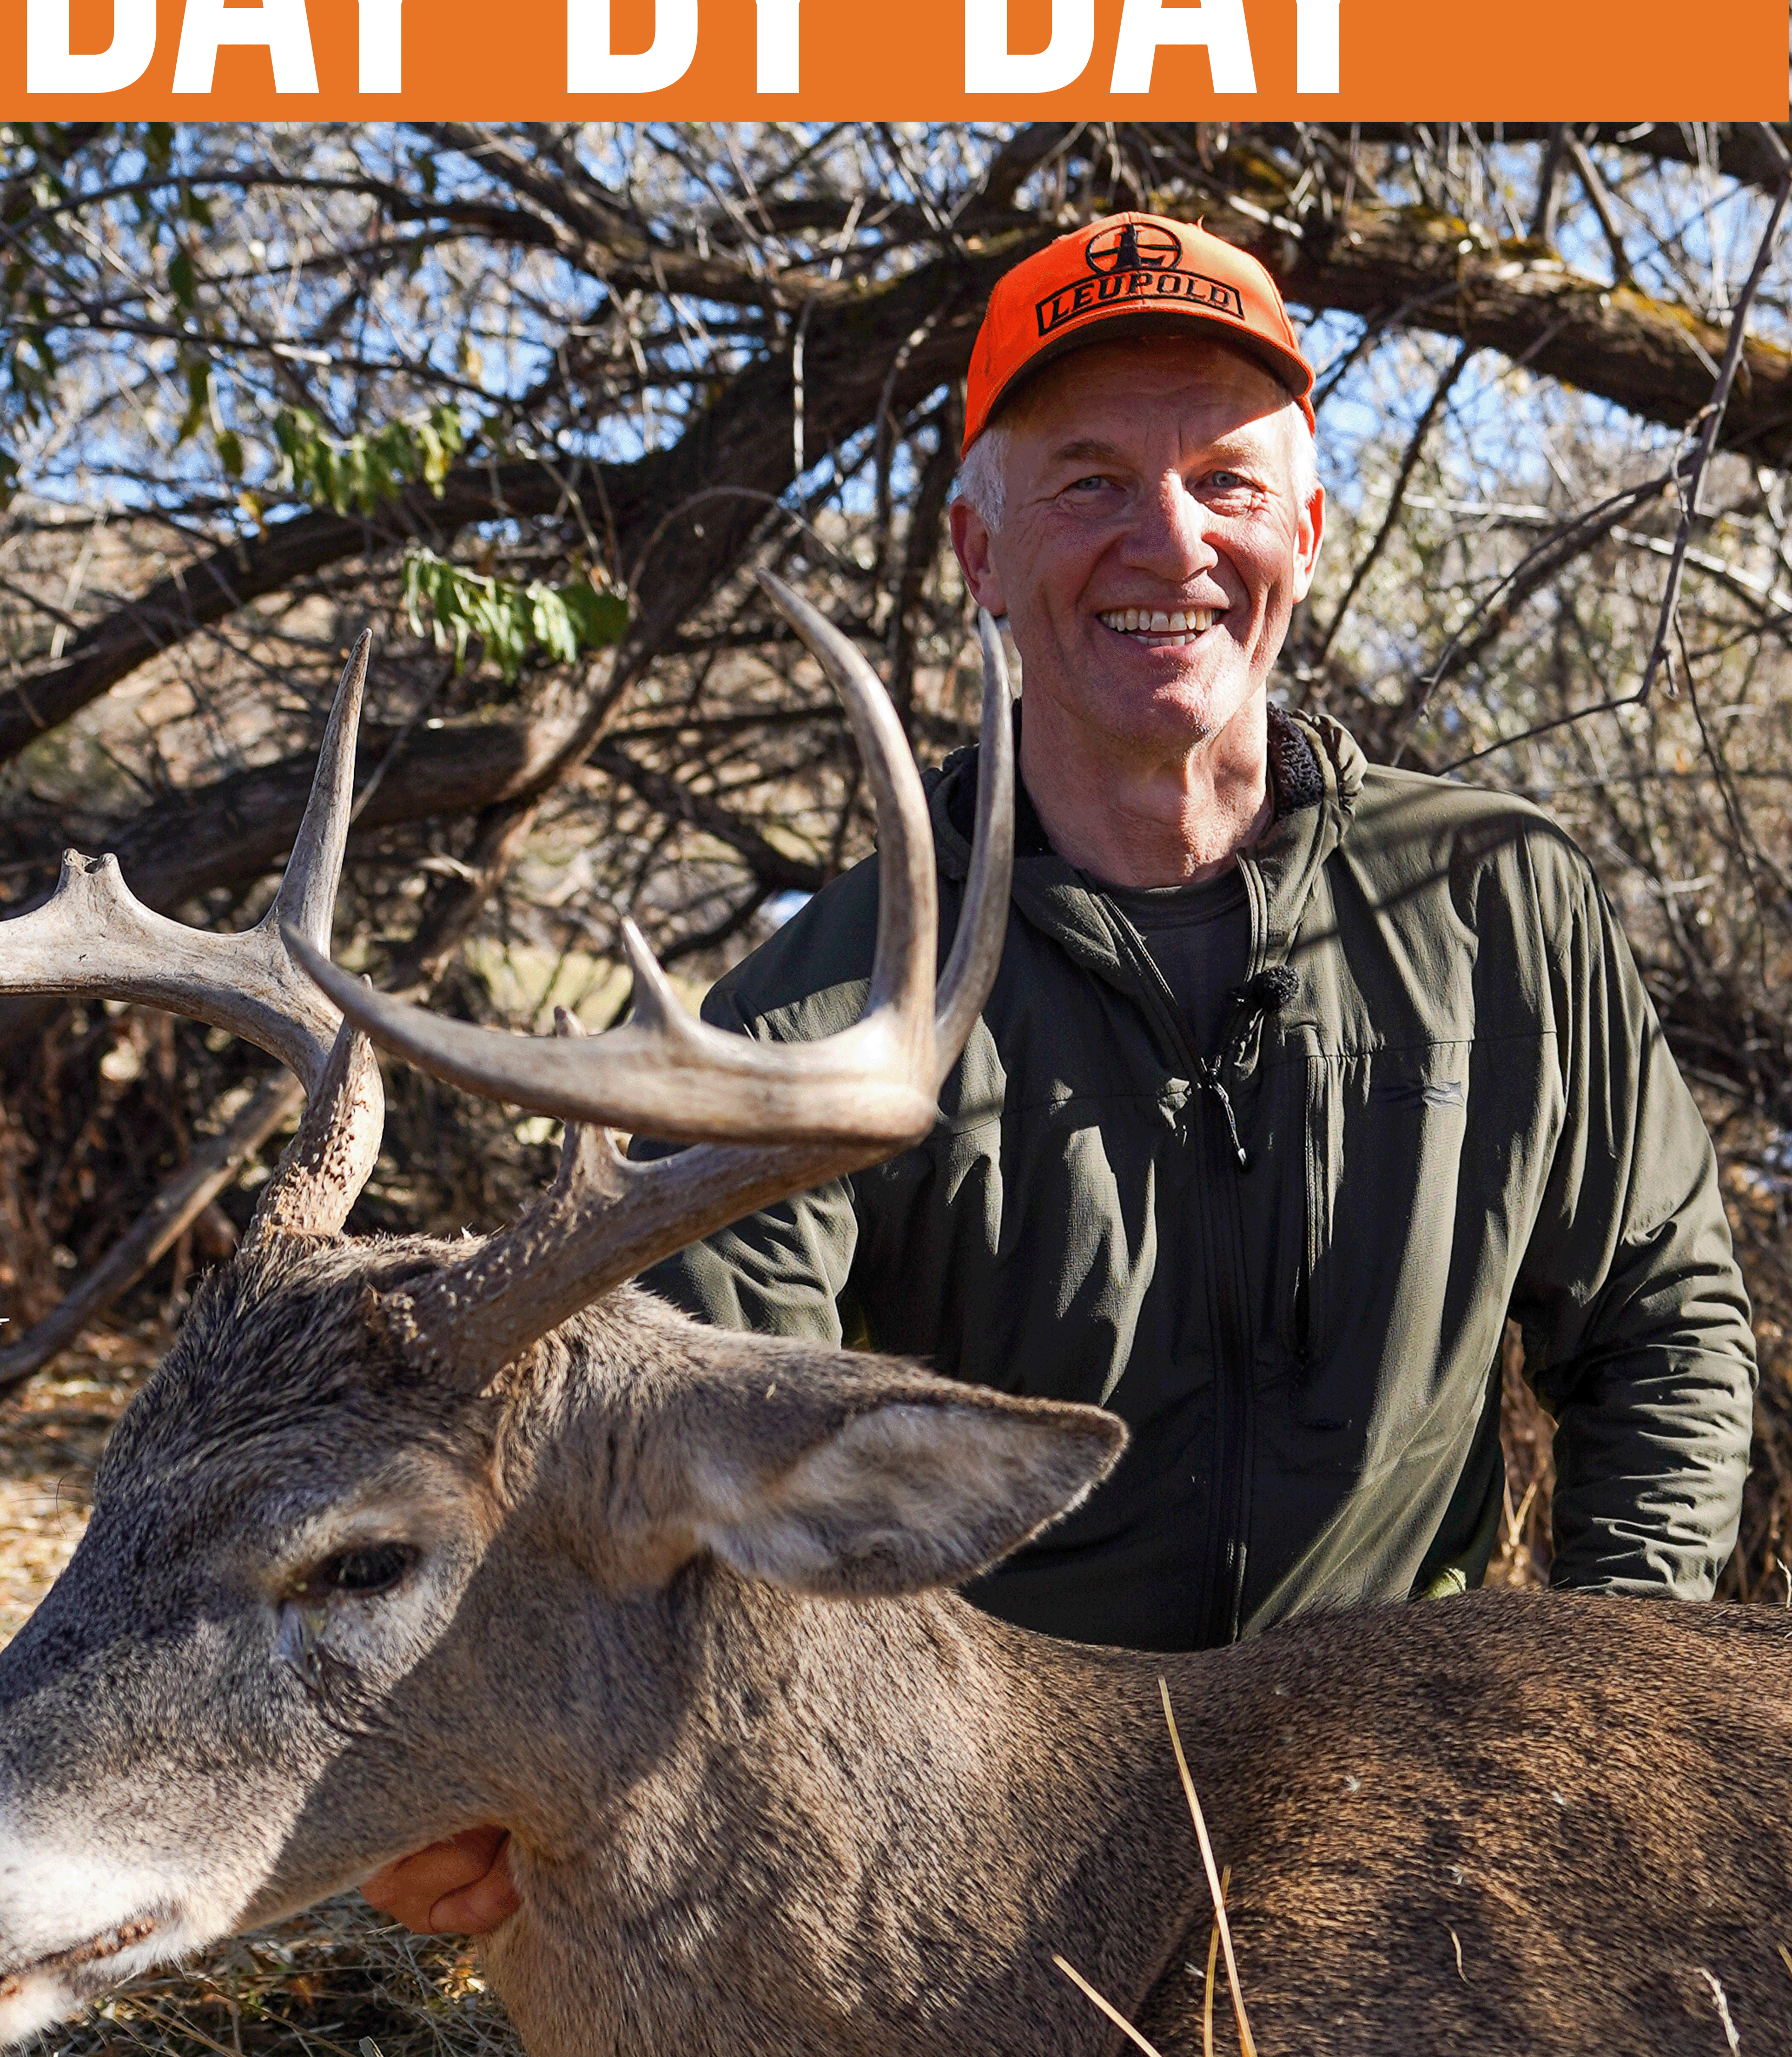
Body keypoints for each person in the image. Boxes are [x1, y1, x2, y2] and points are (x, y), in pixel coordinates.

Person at [366, 212, 1756, 1939]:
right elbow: (653, 1450)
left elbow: (1663, 1334)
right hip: (1003, 1847)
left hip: (1426, 1800)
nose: (1169, 537)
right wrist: (475, 1771)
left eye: (1229, 482)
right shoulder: (825, 1009)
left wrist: (1609, 1720)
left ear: (1305, 531)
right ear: (978, 547)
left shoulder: (1495, 899)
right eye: (1091, 480)